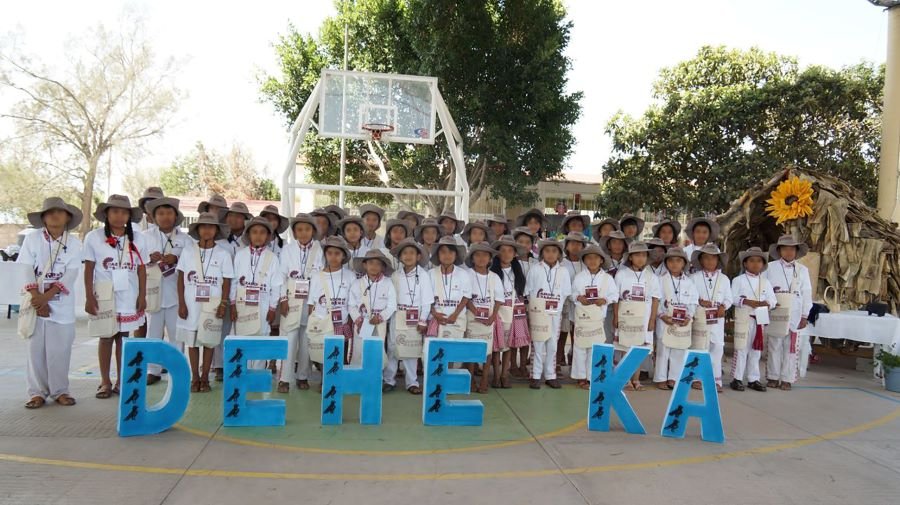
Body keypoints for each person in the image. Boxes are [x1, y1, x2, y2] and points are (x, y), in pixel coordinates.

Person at [19, 197, 84, 408]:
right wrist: (38, 299)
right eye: (50, 212)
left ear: (67, 218)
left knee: (60, 350)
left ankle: (60, 391)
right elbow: (26, 268)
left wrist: (47, 297)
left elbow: (71, 274)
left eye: (60, 212)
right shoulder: (32, 239)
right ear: (43, 217)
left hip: (61, 303)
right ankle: (36, 393)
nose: (55, 216)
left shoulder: (74, 243)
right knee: (35, 349)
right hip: (35, 302)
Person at [84, 195, 148, 399]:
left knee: (123, 337)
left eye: (124, 212)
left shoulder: (138, 238)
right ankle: (104, 381)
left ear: (129, 215)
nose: (119, 216)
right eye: (114, 211)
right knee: (105, 337)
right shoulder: (93, 237)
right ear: (106, 214)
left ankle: (122, 380)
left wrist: (142, 295)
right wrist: (89, 296)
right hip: (104, 293)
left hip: (129, 294)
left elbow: (142, 269)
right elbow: (89, 268)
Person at [177, 213, 233, 393]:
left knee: (209, 341)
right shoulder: (188, 251)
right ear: (197, 229)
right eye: (203, 226)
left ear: (216, 230)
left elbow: (227, 281)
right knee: (192, 342)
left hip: (213, 304)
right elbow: (180, 278)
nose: (207, 230)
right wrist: (181, 303)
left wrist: (223, 304)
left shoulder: (223, 253)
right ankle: (195, 377)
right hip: (191, 303)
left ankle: (205, 377)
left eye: (211, 226)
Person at [142, 197, 188, 384]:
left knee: (177, 334)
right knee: (153, 333)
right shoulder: (145, 237)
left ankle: (176, 369)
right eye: (161, 213)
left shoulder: (186, 239)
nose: (165, 217)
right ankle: (153, 370)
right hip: (153, 293)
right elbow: (137, 261)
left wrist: (176, 260)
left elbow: (192, 262)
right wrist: (150, 258)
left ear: (176, 216)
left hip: (177, 294)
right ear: (153, 217)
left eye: (169, 213)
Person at [277, 214, 323, 392]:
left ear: (313, 231)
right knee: (289, 339)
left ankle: (303, 376)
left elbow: (321, 278)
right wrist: (283, 299)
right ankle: (284, 378)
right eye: (299, 230)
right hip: (291, 300)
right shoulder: (287, 250)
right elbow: (281, 276)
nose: (303, 233)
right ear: (294, 232)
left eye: (307, 229)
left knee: (306, 340)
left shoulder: (319, 250)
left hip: (311, 301)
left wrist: (315, 302)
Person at [231, 217, 283, 370]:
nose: (258, 236)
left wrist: (273, 308)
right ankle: (242, 373)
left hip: (263, 305)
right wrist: (232, 305)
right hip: (242, 305)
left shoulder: (272, 258)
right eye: (254, 232)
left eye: (262, 232)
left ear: (268, 236)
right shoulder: (240, 255)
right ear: (248, 235)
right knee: (242, 340)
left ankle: (258, 375)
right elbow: (234, 282)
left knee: (261, 339)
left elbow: (276, 285)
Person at [765, 235, 813, 391]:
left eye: (792, 249)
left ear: (796, 251)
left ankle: (787, 378)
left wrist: (805, 315)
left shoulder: (802, 270)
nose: (788, 252)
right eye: (785, 248)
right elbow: (764, 289)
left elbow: (807, 292)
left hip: (795, 313)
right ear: (779, 250)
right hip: (776, 311)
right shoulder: (770, 267)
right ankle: (772, 376)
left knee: (791, 347)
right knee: (774, 345)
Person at [387, 239, 433, 394]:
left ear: (418, 256)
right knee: (393, 347)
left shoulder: (424, 276)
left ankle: (411, 382)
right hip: (397, 315)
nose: (408, 256)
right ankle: (389, 380)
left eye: (412, 253)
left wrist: (423, 320)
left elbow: (427, 300)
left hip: (415, 317)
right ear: (400, 257)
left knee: (411, 350)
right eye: (404, 253)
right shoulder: (395, 275)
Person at [612, 241, 660, 391]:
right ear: (630, 257)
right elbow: (616, 298)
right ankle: (625, 379)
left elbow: (655, 298)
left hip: (644, 318)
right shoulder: (622, 274)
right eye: (637, 255)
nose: (640, 258)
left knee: (639, 350)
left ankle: (636, 379)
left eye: (643, 255)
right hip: (626, 316)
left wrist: (652, 320)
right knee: (626, 347)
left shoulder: (651, 276)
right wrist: (615, 316)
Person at [525, 238, 571, 389]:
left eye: (554, 251)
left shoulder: (563, 271)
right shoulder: (535, 269)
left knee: (552, 345)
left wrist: (556, 307)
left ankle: (551, 375)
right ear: (542, 253)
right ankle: (535, 375)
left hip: (555, 314)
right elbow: (529, 292)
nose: (550, 254)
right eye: (547, 251)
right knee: (537, 344)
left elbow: (565, 294)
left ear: (559, 254)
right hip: (538, 313)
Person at [570, 245, 618, 389]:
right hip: (582, 317)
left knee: (594, 348)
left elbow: (614, 295)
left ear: (601, 260)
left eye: (595, 258)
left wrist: (604, 300)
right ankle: (581, 376)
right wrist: (579, 297)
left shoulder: (608, 279)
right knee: (580, 347)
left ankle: (592, 377)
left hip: (597, 318)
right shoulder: (579, 277)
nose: (592, 261)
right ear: (584, 260)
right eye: (589, 258)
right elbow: (571, 294)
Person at [214, 201, 252, 381]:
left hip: (245, 291)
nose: (234, 219)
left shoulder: (249, 243)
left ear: (245, 220)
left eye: (239, 216)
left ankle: (240, 364)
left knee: (244, 328)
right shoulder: (218, 243)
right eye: (231, 215)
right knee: (221, 328)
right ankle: (219, 365)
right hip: (222, 290)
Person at [730, 247, 777, 392]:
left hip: (759, 319)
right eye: (751, 261)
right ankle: (737, 378)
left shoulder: (766, 282)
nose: (755, 264)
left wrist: (767, 303)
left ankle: (753, 378)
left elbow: (773, 299)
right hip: (744, 318)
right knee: (741, 348)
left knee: (756, 350)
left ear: (763, 265)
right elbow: (732, 298)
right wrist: (747, 302)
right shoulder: (738, 280)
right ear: (745, 264)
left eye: (759, 261)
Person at [653, 247, 699, 390]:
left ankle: (674, 378)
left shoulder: (689, 283)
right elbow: (656, 300)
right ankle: (660, 378)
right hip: (665, 320)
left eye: (678, 261)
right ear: (666, 263)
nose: (674, 264)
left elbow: (693, 302)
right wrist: (662, 315)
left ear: (684, 264)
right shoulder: (660, 280)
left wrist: (688, 316)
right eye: (671, 261)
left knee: (679, 349)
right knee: (663, 350)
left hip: (682, 322)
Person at [689, 243, 733, 392]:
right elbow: (690, 296)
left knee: (717, 347)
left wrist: (723, 306)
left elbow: (729, 298)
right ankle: (697, 378)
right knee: (700, 346)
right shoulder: (694, 277)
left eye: (713, 258)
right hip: (701, 317)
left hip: (717, 319)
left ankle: (715, 379)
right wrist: (700, 302)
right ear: (701, 260)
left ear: (718, 260)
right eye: (706, 258)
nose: (709, 261)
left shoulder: (724, 279)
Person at [307, 237, 355, 366]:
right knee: (322, 357)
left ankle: (337, 384)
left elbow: (353, 302)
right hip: (322, 323)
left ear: (343, 255)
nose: (333, 257)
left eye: (337, 253)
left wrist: (350, 322)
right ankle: (325, 383)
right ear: (325, 255)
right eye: (330, 253)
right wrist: (312, 323)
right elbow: (311, 303)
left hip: (342, 324)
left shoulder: (350, 276)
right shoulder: (317, 276)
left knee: (340, 358)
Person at [490, 235, 529, 386]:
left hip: (514, 311)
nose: (506, 254)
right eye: (503, 250)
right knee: (496, 344)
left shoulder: (517, 272)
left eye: (510, 251)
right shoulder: (492, 272)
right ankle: (496, 374)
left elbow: (521, 293)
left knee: (508, 345)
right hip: (498, 311)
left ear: (514, 254)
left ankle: (504, 374)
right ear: (498, 253)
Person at [465, 242, 504, 393]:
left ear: (490, 259)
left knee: (487, 351)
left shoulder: (494, 277)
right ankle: (471, 379)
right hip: (472, 317)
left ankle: (485, 380)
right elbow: (466, 298)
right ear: (472, 258)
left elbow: (499, 300)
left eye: (485, 255)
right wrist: (476, 313)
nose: (481, 258)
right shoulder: (467, 274)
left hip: (489, 319)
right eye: (478, 255)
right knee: (471, 350)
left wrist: (493, 316)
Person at [349, 249, 397, 366]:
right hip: (361, 324)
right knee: (359, 351)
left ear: (382, 267)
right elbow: (351, 305)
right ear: (365, 265)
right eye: (371, 263)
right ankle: (358, 379)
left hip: (379, 324)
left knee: (377, 352)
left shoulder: (388, 283)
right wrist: (358, 320)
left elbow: (392, 305)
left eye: (378, 264)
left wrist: (380, 317)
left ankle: (375, 380)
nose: (374, 266)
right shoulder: (357, 284)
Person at [426, 236, 471, 339]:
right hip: (435, 320)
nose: (447, 255)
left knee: (454, 351)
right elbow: (426, 298)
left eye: (451, 252)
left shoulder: (463, 274)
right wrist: (434, 313)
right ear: (438, 255)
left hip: (457, 320)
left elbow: (466, 297)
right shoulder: (430, 274)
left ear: (456, 255)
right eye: (443, 252)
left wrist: (455, 314)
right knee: (435, 351)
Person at [559, 232, 589, 373]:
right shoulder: (562, 263)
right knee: (562, 334)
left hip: (582, 306)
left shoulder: (587, 263)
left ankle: (575, 364)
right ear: (567, 246)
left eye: (579, 244)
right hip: (565, 303)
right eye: (572, 243)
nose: (576, 246)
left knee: (577, 335)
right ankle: (557, 361)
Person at [511, 226, 537, 376]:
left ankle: (523, 364)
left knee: (527, 334)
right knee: (516, 333)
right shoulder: (512, 262)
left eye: (527, 242)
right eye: (520, 242)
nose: (524, 245)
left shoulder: (536, 263)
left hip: (532, 304)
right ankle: (513, 364)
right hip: (515, 303)